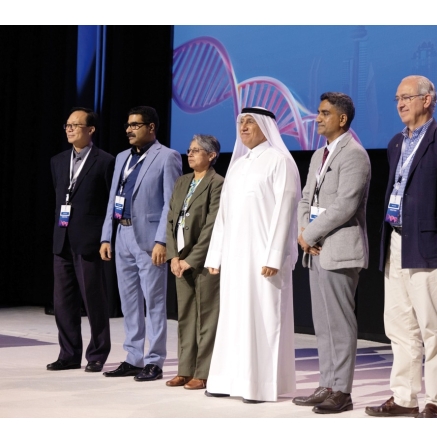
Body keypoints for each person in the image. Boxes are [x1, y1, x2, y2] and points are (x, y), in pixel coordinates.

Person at [365, 76, 437, 418]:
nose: (400, 104)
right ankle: (404, 397)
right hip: (396, 242)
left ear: (427, 100)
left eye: (407, 97)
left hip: (431, 246)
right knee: (399, 326)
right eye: (397, 98)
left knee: (433, 329)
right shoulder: (396, 143)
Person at [203, 107, 300, 403]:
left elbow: (286, 212)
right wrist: (215, 255)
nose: (243, 127)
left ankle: (258, 385)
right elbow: (224, 216)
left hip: (262, 258)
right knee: (233, 317)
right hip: (234, 257)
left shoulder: (280, 162)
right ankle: (227, 379)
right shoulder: (238, 165)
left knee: (263, 317)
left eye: (250, 122)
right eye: (240, 122)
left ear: (265, 126)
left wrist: (273, 257)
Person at [294, 92, 371, 414]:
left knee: (339, 322)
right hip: (315, 248)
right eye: (318, 112)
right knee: (323, 322)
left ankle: (342, 390)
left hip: (338, 248)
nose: (318, 118)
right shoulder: (319, 155)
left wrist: (310, 233)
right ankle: (327, 383)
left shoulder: (354, 154)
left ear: (342, 119)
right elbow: (305, 199)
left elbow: (346, 204)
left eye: (325, 113)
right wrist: (302, 233)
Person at [100, 106, 182, 381]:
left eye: (135, 125)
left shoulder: (167, 156)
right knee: (129, 302)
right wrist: (106, 236)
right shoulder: (122, 157)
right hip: (122, 236)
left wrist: (163, 241)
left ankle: (155, 360)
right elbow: (113, 199)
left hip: (149, 240)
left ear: (151, 128)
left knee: (155, 302)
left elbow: (172, 204)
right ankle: (134, 357)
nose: (129, 129)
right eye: (128, 125)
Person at [48, 107, 114, 373]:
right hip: (62, 238)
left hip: (89, 240)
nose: (70, 128)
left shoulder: (105, 161)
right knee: (62, 301)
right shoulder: (58, 161)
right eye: (67, 124)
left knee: (94, 301)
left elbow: (111, 204)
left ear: (91, 130)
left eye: (76, 125)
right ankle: (69, 354)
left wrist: (105, 238)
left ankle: (97, 354)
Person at [165, 135, 223, 390]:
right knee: (186, 317)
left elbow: (212, 226)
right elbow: (170, 220)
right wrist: (174, 256)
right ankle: (185, 369)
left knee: (206, 317)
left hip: (204, 261)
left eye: (196, 151)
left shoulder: (217, 183)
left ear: (211, 156)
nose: (189, 154)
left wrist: (191, 259)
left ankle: (204, 372)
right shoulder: (182, 182)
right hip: (180, 260)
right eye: (188, 150)